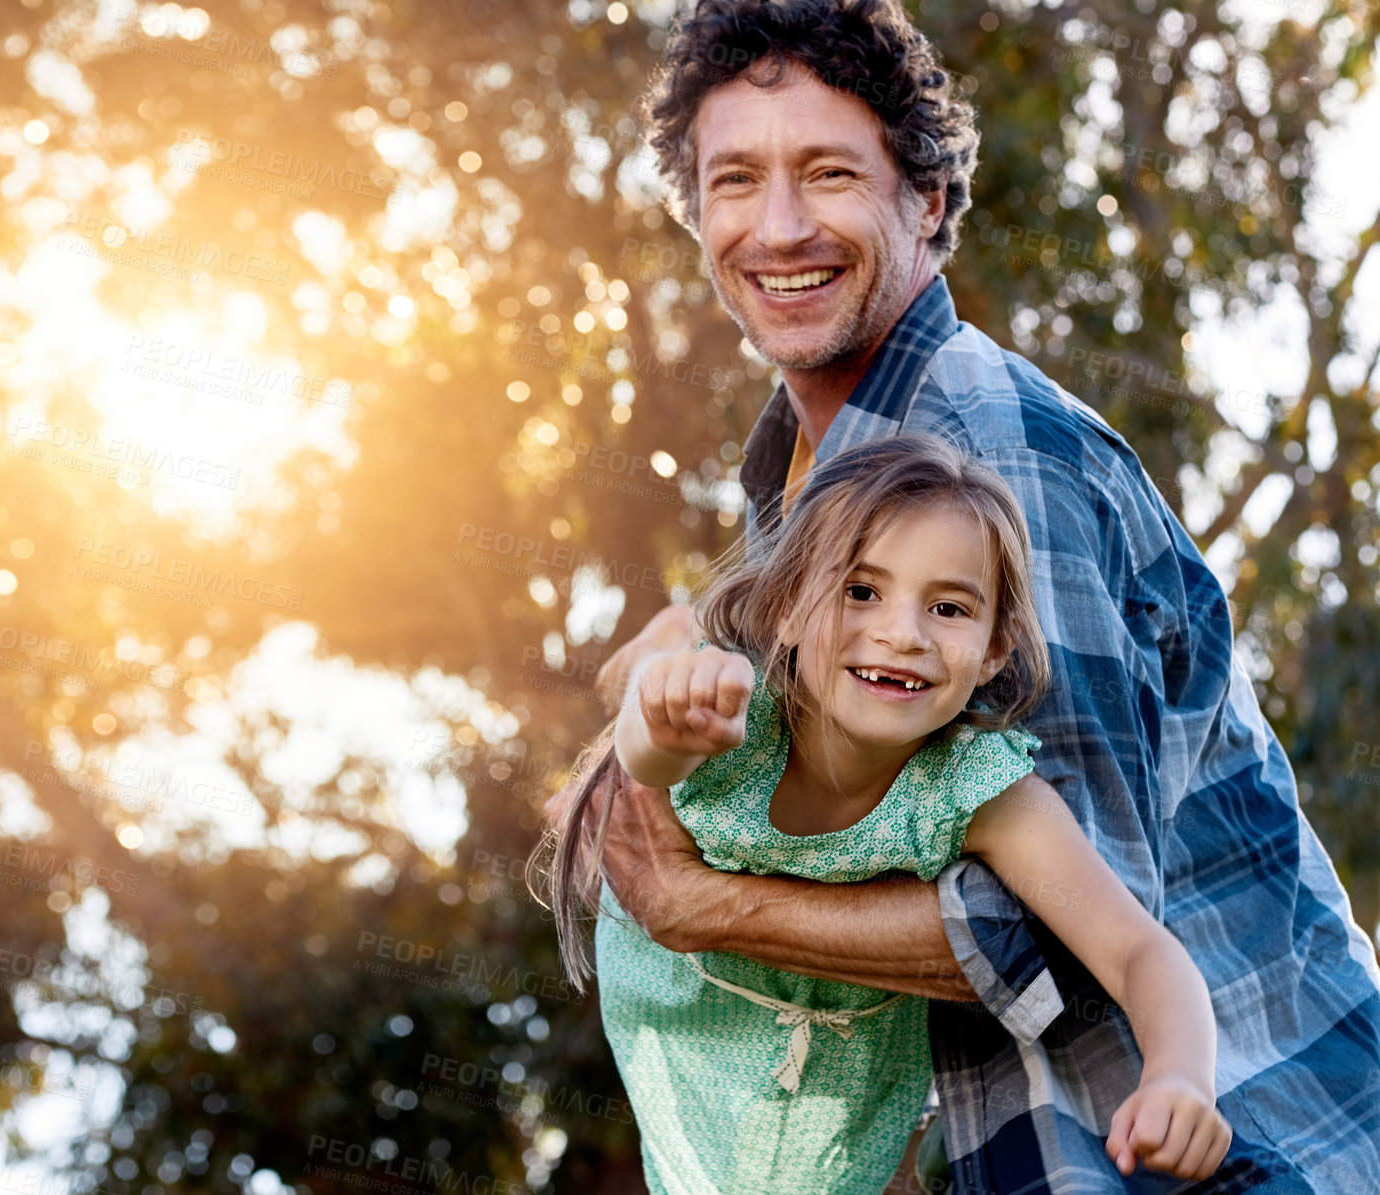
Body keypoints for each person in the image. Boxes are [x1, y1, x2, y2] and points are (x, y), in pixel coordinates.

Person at [549, 1, 1380, 1190]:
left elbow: (1060, 920)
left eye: (828, 172)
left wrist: (705, 906)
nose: (776, 227)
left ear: (927, 201)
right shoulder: (803, 484)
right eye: (734, 180)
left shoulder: (984, 448)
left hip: (1253, 1147)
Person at [539, 435, 1232, 1193]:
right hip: (686, 1051)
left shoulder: (978, 790)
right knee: (673, 653)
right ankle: (666, 633)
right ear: (790, 608)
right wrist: (663, 719)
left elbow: (1139, 951)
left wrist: (1183, 1076)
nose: (904, 633)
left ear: (996, 648)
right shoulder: (739, 707)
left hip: (843, 1114)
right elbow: (651, 766)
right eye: (861, 590)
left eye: (948, 606)